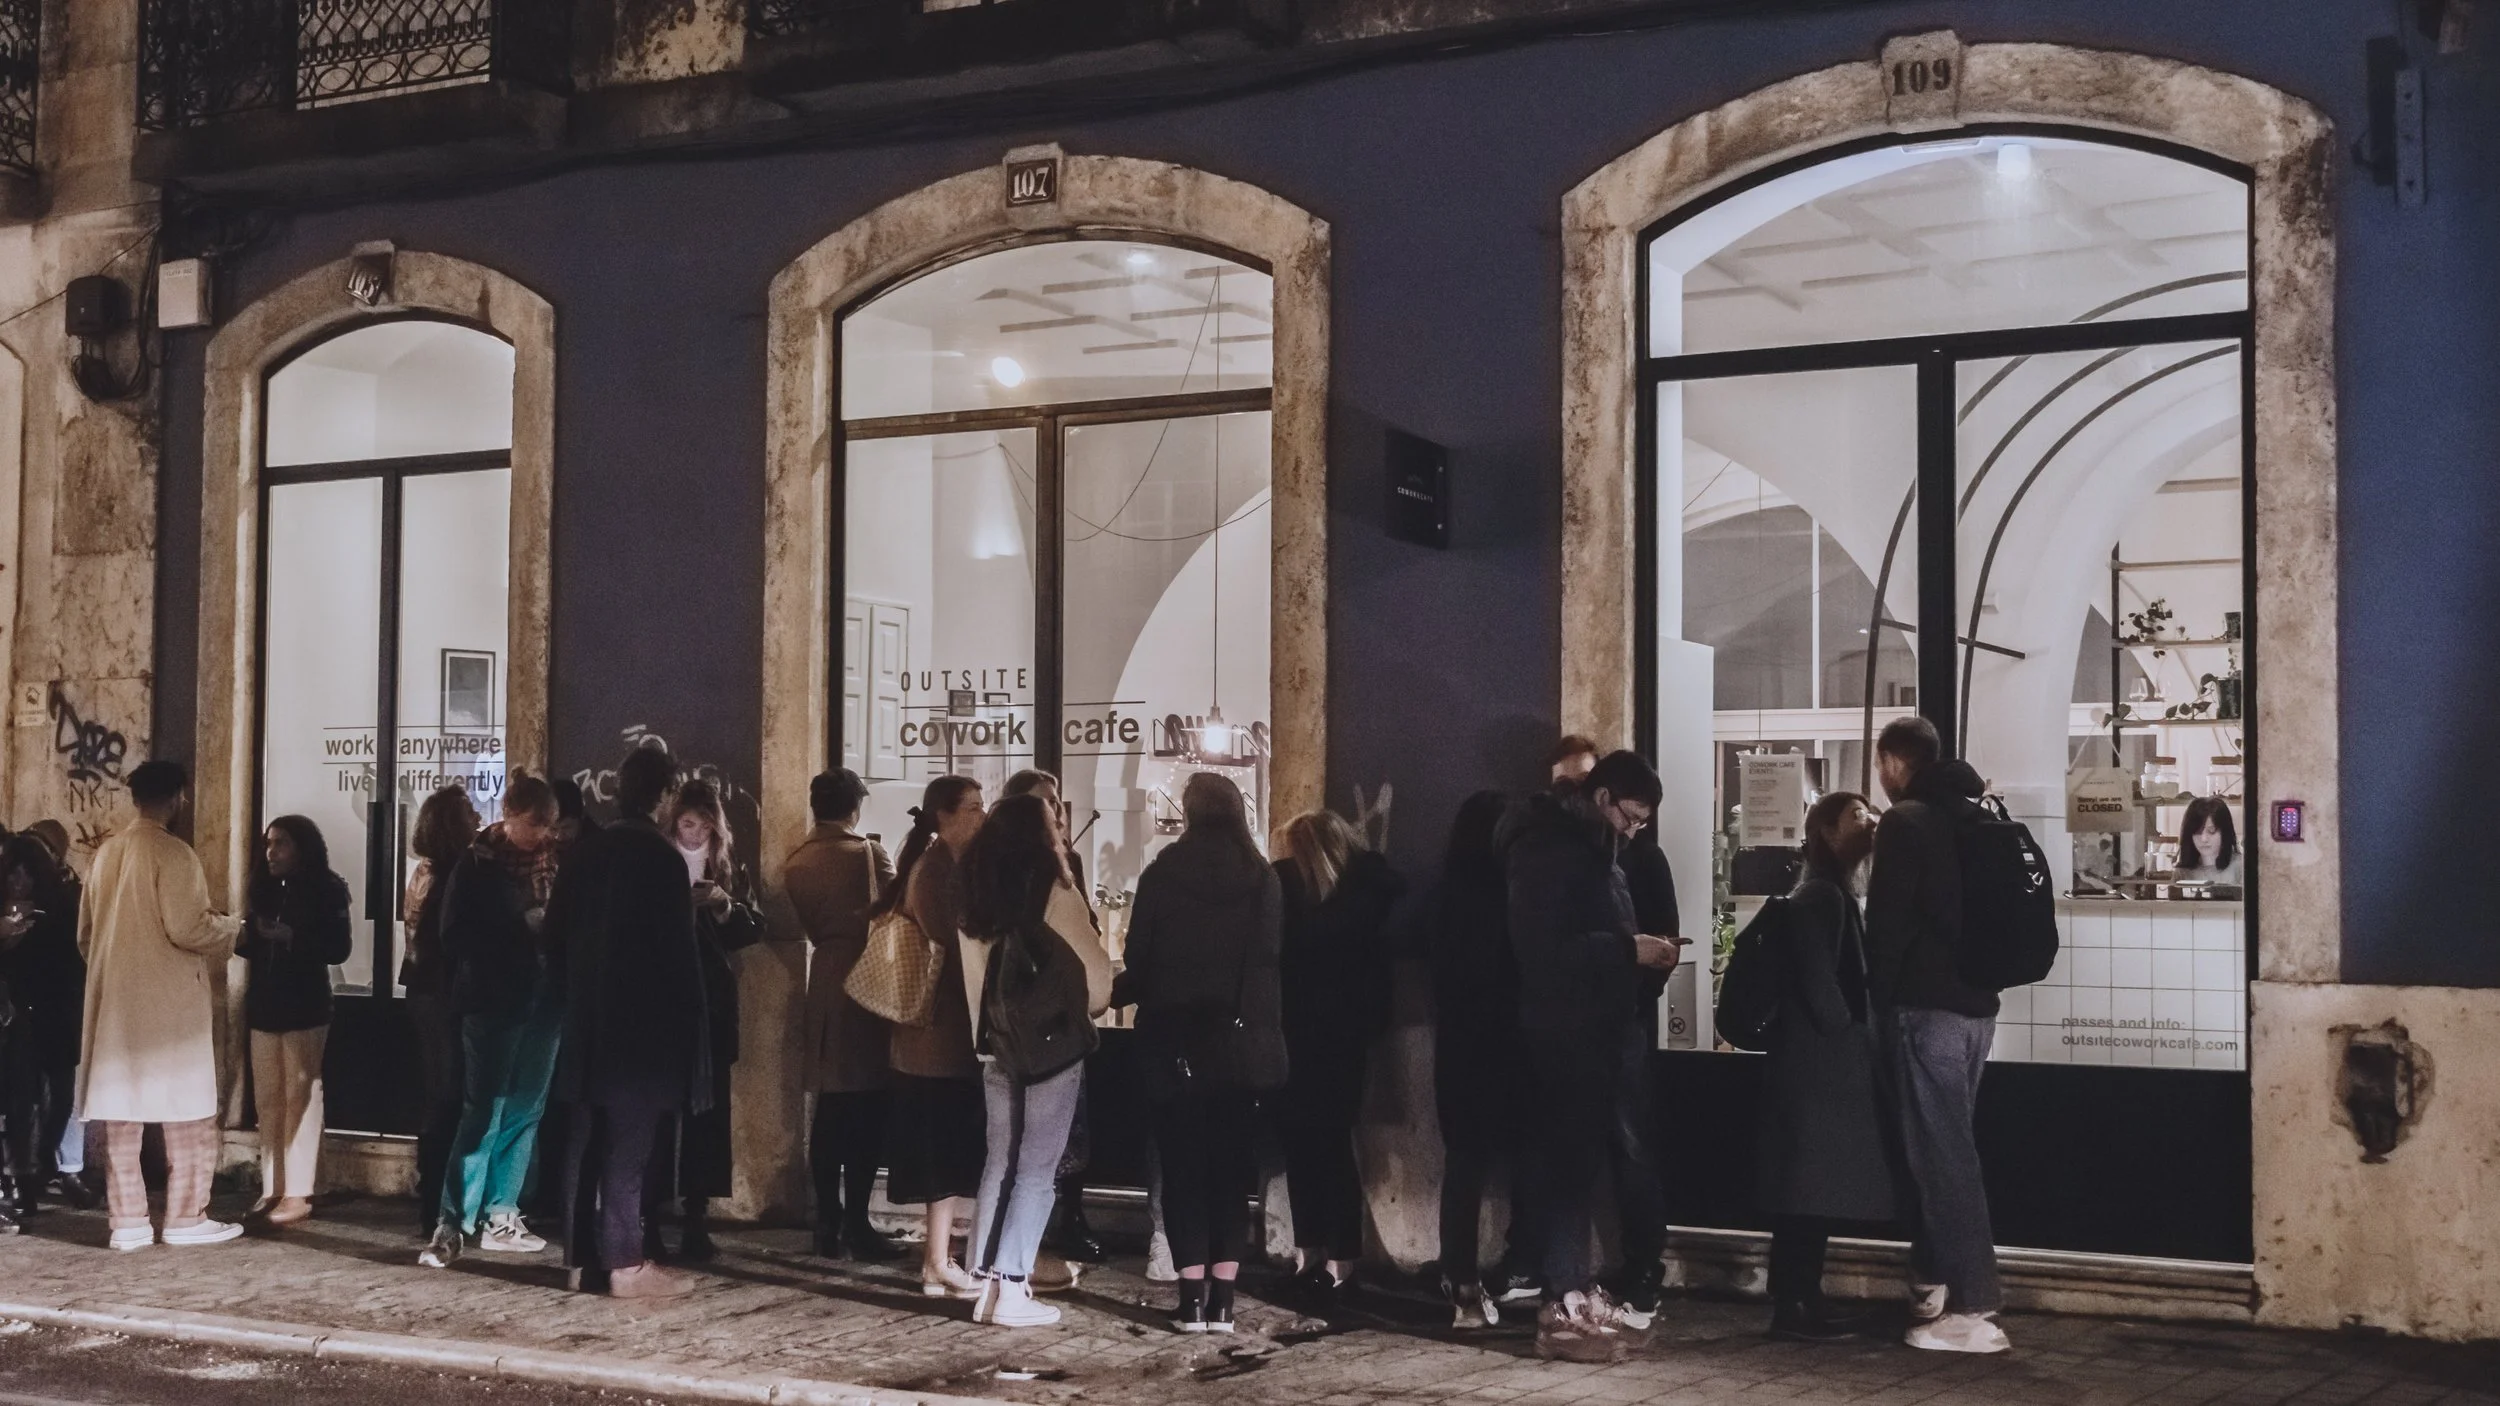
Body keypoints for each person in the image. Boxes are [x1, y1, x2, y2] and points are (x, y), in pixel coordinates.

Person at [1503, 749, 1678, 1362]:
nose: (1633, 831)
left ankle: (1572, 1292)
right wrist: (1630, 950)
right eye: (1630, 816)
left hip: (1597, 1029)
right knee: (1566, 1167)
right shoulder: (1552, 851)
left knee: (1577, 1167)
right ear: (1602, 798)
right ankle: (1563, 1302)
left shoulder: (1595, 849)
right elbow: (1542, 950)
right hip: (1566, 1032)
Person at [1113, 773, 1285, 1335]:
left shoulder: (1163, 873)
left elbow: (1138, 959)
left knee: (1182, 1169)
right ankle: (1224, 1305)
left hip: (1172, 1043)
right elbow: (1269, 962)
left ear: (1188, 812)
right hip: (1238, 1047)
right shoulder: (1262, 877)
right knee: (1231, 1172)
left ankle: (1190, 1303)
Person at [1865, 715, 2008, 1354]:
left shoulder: (1905, 822)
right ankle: (1933, 1280)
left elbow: (1888, 925)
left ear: (1894, 762)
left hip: (1926, 1010)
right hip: (1978, 1008)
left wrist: (1876, 999)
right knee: (1945, 1147)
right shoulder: (1974, 813)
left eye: (1881, 765)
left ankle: (1973, 1307)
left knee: (1944, 1158)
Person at [547, 746, 709, 1299]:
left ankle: (580, 1260)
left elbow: (554, 935)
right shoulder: (661, 859)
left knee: (585, 1141)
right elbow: (678, 955)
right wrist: (690, 1027)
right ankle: (624, 1263)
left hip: (586, 1018)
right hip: (642, 1028)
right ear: (662, 797)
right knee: (629, 1145)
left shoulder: (585, 854)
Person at [956, 793, 1113, 1328]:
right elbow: (1097, 984)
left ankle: (983, 1282)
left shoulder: (974, 892)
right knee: (1037, 1170)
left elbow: (974, 983)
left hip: (994, 1045)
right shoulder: (1054, 891)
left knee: (999, 1161)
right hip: (1050, 1045)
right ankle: (1013, 1286)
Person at [76, 760, 244, 1251]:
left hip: (115, 1002)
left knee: (121, 1113)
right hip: (170, 1005)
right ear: (177, 798)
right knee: (188, 1110)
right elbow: (188, 927)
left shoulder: (105, 854)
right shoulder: (175, 854)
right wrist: (232, 926)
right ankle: (186, 1216)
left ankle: (127, 1221)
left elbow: (86, 935)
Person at [1759, 791, 1898, 1341]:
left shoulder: (1827, 890)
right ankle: (1793, 1302)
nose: (1869, 821)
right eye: (1856, 815)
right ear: (1827, 832)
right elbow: (1820, 979)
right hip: (1819, 1061)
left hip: (1816, 1059)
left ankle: (1803, 1297)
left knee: (1811, 1185)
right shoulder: (1821, 894)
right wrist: (1847, 1029)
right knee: (1807, 1186)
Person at [1549, 733, 1674, 1322]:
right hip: (1581, 1021)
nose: (1633, 829)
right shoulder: (1564, 852)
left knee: (1629, 1146)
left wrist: (1638, 990)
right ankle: (1564, 1279)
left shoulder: (1640, 857)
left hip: (1620, 1022)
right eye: (1631, 817)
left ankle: (1643, 1267)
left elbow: (1663, 941)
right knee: (1576, 1149)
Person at [420, 776, 569, 1269]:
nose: (540, 834)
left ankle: (503, 1213)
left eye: (547, 825)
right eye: (532, 824)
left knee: (526, 1108)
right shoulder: (477, 864)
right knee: (483, 1110)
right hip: (493, 999)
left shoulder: (557, 860)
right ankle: (453, 1222)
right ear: (507, 816)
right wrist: (519, 928)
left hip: (544, 999)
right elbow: (453, 935)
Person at [1274, 808, 1403, 1306]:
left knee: (1314, 1147)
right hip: (1339, 1040)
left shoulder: (1315, 905)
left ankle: (1326, 1256)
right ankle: (1329, 1258)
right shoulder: (1364, 900)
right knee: (1323, 1146)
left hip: (1310, 1036)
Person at [1422, 791, 1536, 1328]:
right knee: (1529, 1158)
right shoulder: (1515, 892)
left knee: (1464, 1165)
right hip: (1510, 1042)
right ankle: (1529, 1269)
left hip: (1459, 1045)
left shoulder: (1444, 894)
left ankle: (1462, 1283)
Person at [879, 775, 990, 1300]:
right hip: (935, 1038)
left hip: (942, 1037)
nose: (982, 816)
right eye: (973, 807)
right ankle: (937, 1261)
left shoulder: (946, 865)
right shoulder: (937, 869)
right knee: (940, 1153)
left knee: (945, 1153)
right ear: (944, 815)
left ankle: (938, 1260)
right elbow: (956, 937)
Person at [784, 767, 899, 1261]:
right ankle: (857, 1223)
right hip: (867, 977)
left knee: (830, 1110)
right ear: (854, 807)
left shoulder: (797, 861)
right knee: (868, 1109)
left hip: (825, 978)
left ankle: (826, 1222)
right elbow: (896, 908)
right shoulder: (868, 854)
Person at [649, 778, 764, 1261]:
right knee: (658, 1113)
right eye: (687, 824)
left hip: (713, 1002)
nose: (694, 834)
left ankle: (697, 1217)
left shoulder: (728, 867)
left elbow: (753, 929)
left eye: (703, 826)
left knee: (709, 1116)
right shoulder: (656, 860)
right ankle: (651, 1218)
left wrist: (722, 905)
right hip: (664, 1001)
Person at [1000, 766, 1107, 1266]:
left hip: (1058, 1010)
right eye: (1047, 803)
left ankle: (1070, 1214)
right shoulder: (998, 868)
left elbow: (1084, 925)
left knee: (1070, 1123)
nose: (1058, 812)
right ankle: (1017, 1248)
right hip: (1021, 1012)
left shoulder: (1070, 862)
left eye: (1058, 801)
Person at [238, 814, 354, 1226]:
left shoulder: (327, 889)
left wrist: (292, 938)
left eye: (282, 843)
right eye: (269, 843)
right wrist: (248, 934)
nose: (272, 852)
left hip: (305, 1003)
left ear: (303, 848)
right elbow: (249, 945)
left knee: (301, 1097)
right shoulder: (262, 888)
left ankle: (298, 1191)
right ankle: (274, 1186)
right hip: (264, 1002)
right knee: (268, 1098)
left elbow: (338, 948)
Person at [402, 785, 481, 1238]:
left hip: (425, 987)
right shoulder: (453, 872)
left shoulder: (427, 871)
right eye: (469, 813)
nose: (478, 819)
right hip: (441, 990)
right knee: (447, 1094)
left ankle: (434, 1198)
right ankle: (437, 1203)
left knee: (440, 1094)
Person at [0, 833, 85, 1223]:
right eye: (12, 874)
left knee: (62, 1098)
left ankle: (42, 1162)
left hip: (54, 1012)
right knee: (20, 1102)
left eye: (26, 874)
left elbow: (74, 961)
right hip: (17, 1018)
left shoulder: (59, 911)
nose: (19, 882)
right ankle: (21, 1177)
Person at [20, 821, 92, 1210]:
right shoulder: (20, 891)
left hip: (61, 1002)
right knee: (26, 1096)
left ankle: (63, 1168)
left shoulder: (70, 895)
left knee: (66, 1095)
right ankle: (30, 1169)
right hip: (27, 1004)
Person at [2173, 796, 2243, 891]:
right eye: (2197, 832)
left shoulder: (2241, 867)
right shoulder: (2182, 872)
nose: (2204, 839)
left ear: (2225, 832)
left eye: (2212, 831)